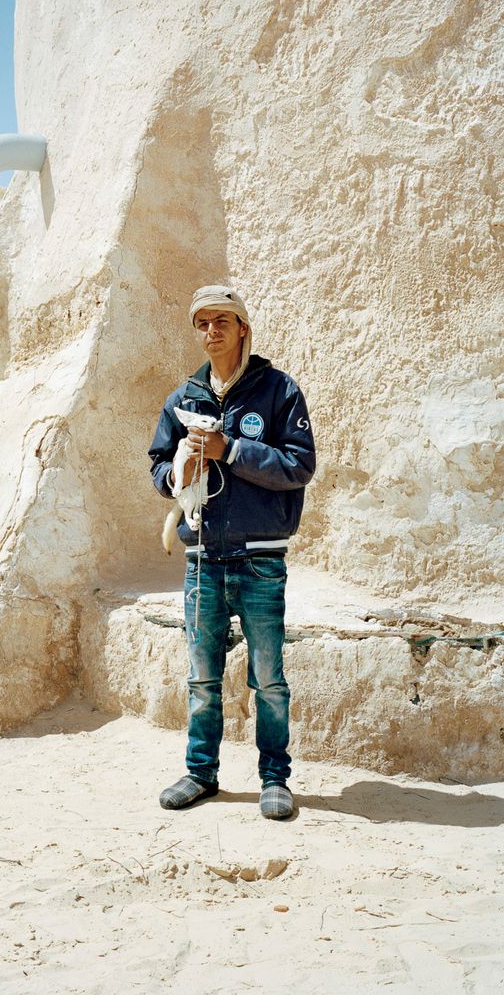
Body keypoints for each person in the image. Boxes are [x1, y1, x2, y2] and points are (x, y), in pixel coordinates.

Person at [148, 285, 316, 818]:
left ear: (243, 327)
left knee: (268, 677)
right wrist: (178, 470)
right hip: (201, 559)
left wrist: (231, 450)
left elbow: (299, 466)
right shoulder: (183, 399)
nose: (212, 331)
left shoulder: (279, 391)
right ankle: (201, 774)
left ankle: (275, 778)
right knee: (201, 676)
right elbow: (156, 468)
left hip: (260, 558)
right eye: (203, 323)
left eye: (223, 320)